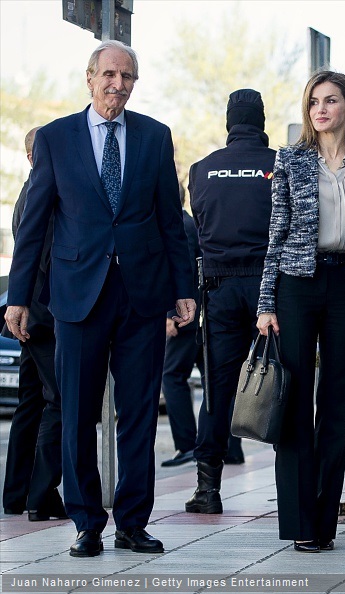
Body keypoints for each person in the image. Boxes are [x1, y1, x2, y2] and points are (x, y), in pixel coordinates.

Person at [4, 40, 196, 558]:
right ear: (90, 78)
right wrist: (17, 296)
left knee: (138, 414)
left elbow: (170, 222)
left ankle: (133, 523)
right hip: (76, 296)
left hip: (141, 295)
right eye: (110, 74)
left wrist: (183, 289)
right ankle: (87, 522)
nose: (118, 84)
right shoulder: (55, 138)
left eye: (128, 76)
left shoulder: (155, 138)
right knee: (76, 413)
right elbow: (35, 224)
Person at [256, 71, 345, 552]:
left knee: (334, 403)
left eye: (331, 101)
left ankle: (325, 522)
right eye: (314, 101)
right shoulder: (291, 159)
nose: (320, 109)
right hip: (296, 285)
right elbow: (275, 233)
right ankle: (300, 523)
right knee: (295, 401)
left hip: (343, 286)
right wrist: (266, 303)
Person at [185, 89, 276, 514]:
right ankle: (293, 486)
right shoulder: (279, 166)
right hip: (269, 291)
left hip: (219, 291)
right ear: (260, 121)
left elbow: (199, 227)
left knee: (218, 391)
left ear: (228, 122)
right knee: (281, 382)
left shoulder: (202, 170)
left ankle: (208, 490)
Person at [2, 126, 66, 521]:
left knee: (30, 403)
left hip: (31, 314)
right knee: (58, 401)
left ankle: (16, 493)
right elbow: (44, 258)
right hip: (45, 316)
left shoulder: (24, 195)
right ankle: (41, 495)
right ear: (33, 157)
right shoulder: (42, 195)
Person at [161, 186, 203, 468]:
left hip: (183, 318)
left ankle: (187, 444)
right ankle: (226, 447)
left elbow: (183, 271)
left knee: (172, 377)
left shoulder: (181, 226)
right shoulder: (188, 223)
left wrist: (170, 315)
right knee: (211, 380)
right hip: (193, 316)